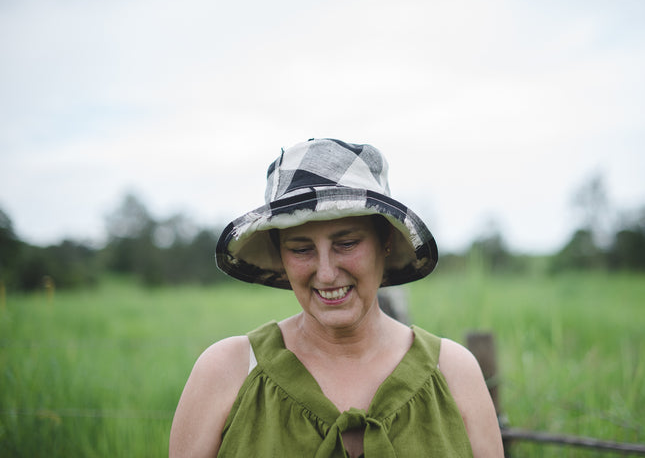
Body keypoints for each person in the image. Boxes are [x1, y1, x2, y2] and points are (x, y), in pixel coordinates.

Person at [169, 138, 504, 457]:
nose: (326, 273)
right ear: (280, 255)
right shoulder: (226, 372)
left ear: (384, 240)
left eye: (346, 244)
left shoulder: (454, 373)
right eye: (301, 249)